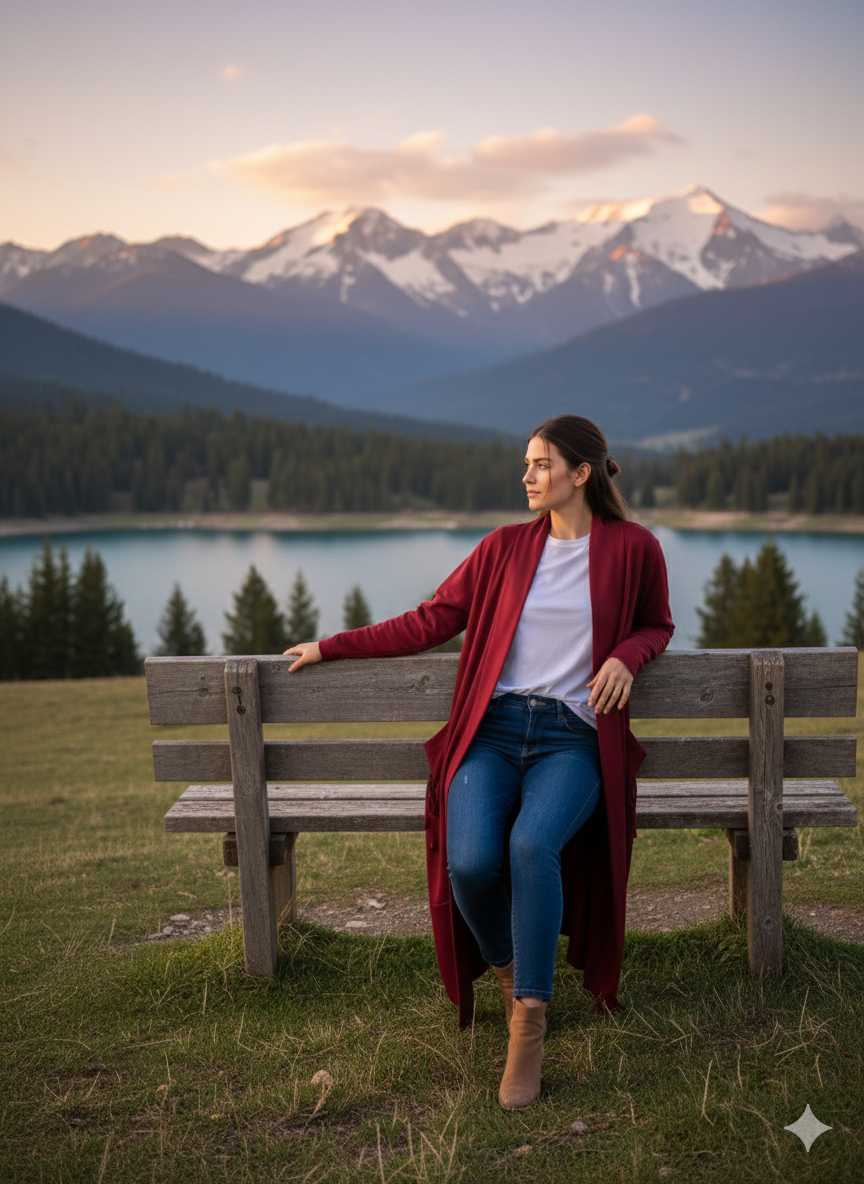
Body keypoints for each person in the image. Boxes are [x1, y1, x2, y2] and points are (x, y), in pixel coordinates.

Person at [284, 415, 674, 1109]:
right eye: (525, 463)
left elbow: (656, 623)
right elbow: (431, 620)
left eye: (540, 464)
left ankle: (529, 1018)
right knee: (468, 861)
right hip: (490, 735)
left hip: (572, 740)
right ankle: (508, 967)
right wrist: (332, 645)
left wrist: (626, 654)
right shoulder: (501, 549)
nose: (526, 476)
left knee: (532, 845)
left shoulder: (634, 549)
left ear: (580, 474)